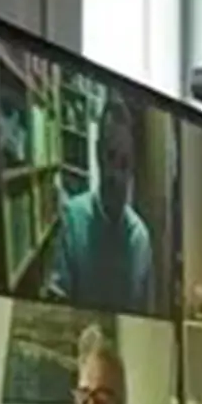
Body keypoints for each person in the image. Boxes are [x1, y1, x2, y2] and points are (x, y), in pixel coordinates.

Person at [48, 94, 157, 314]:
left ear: (133, 167)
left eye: (124, 163)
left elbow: (147, 320)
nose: (116, 174)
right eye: (110, 156)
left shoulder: (141, 240)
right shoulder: (72, 219)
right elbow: (55, 305)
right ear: (98, 155)